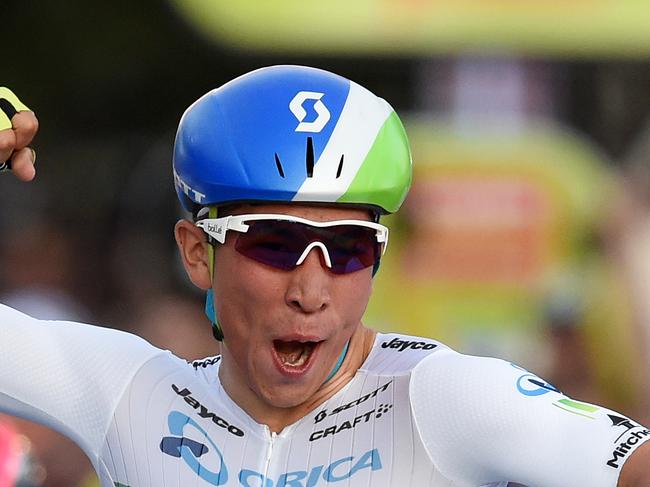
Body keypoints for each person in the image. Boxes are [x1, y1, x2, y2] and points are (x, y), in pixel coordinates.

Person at [0, 66, 649, 487]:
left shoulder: (446, 399)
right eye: (276, 245)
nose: (311, 292)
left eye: (348, 249)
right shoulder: (128, 393)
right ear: (198, 252)